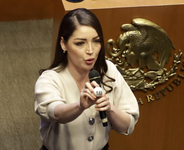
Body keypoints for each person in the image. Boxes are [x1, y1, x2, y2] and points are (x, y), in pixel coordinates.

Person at [35, 8, 139, 150]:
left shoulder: (108, 70)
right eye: (80, 43)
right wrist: (80, 106)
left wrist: (110, 109)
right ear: (63, 44)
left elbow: (127, 126)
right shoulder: (50, 79)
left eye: (96, 41)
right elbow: (56, 113)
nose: (90, 50)